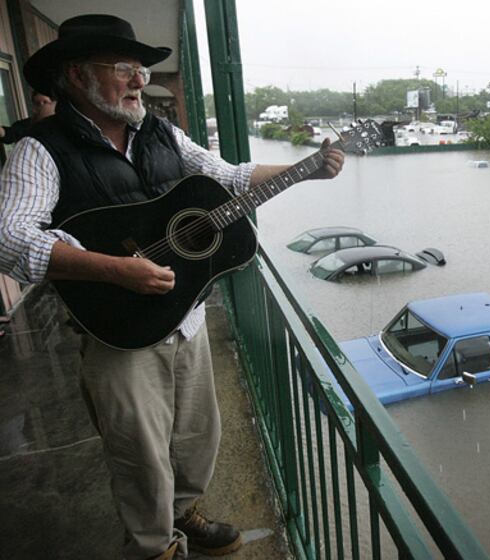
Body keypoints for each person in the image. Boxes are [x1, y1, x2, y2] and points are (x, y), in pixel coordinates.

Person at [0, 14, 344, 560]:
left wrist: (305, 169)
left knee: (196, 435)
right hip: (118, 330)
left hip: (186, 315)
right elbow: (9, 238)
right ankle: (153, 546)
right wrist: (115, 270)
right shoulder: (40, 149)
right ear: (77, 75)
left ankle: (184, 512)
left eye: (141, 68)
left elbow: (227, 177)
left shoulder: (161, 133)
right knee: (138, 454)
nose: (140, 80)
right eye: (124, 68)